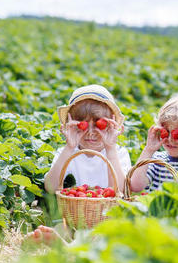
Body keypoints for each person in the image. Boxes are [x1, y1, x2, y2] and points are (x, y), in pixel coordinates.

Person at [28, 84, 131, 243]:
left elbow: (120, 190)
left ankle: (69, 246)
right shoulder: (68, 153)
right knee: (63, 229)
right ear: (72, 125)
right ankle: (57, 241)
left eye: (99, 125)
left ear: (111, 125)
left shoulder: (118, 153)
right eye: (82, 125)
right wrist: (69, 147)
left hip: (108, 222)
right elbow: (50, 186)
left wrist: (110, 148)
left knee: (115, 235)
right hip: (72, 222)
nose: (90, 132)